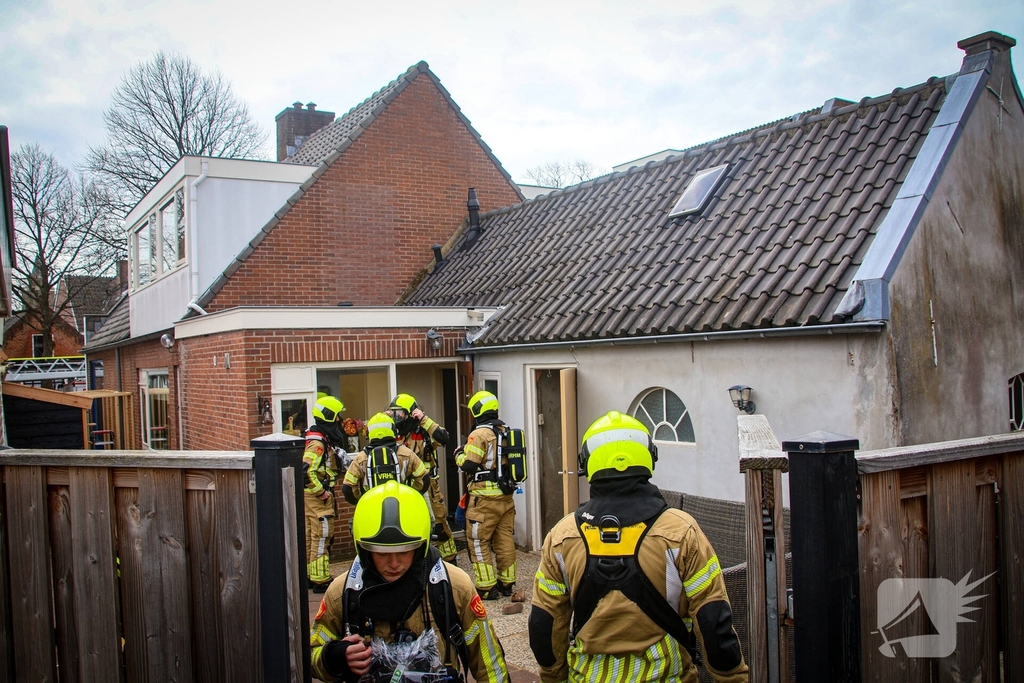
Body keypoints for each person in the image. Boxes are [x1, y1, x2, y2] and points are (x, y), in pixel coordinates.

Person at [528, 411, 749, 683]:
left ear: (587, 463)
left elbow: (544, 626)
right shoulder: (682, 532)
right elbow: (714, 624)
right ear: (649, 457)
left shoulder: (562, 537)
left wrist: (554, 678)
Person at [309, 481, 510, 683]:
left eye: (405, 551)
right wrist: (333, 658)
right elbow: (309, 658)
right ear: (365, 551)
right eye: (382, 554)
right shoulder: (343, 593)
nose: (394, 563)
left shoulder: (454, 587)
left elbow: (490, 667)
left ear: (421, 546)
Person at [455, 390, 517, 600]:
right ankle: (507, 584)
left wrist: (458, 455)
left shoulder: (479, 435)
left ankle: (487, 587)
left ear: (477, 411)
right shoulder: (505, 431)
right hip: (506, 497)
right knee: (504, 539)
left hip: (483, 500)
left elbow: (470, 465)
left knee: (478, 541)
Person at [388, 393, 458, 562]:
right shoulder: (393, 431)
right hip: (405, 486)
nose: (397, 417)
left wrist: (424, 420)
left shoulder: (423, 431)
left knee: (439, 522)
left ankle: (449, 558)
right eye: (394, 413)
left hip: (428, 485)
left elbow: (444, 438)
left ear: (411, 413)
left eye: (400, 413)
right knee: (410, 522)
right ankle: (419, 558)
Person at [304, 395, 347, 593]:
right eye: (337, 416)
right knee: (322, 534)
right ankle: (320, 579)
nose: (339, 420)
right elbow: (306, 471)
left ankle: (311, 576)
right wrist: (321, 492)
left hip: (311, 497)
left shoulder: (319, 438)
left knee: (312, 536)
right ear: (329, 416)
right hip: (317, 498)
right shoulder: (318, 443)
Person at [341, 412, 430, 505]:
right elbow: (424, 480)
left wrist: (361, 503)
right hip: (402, 507)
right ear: (393, 430)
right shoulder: (407, 454)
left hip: (371, 509)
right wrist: (410, 495)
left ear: (369, 433)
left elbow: (348, 488)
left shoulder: (361, 458)